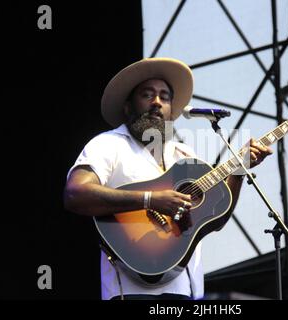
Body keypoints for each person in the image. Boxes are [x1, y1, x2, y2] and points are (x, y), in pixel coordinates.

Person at [63, 57, 272, 300]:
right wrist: (150, 199)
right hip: (130, 292)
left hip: (186, 291)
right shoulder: (108, 144)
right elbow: (75, 193)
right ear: (128, 107)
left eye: (164, 97)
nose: (156, 102)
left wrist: (238, 170)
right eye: (147, 95)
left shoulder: (185, 156)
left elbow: (215, 219)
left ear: (171, 111)